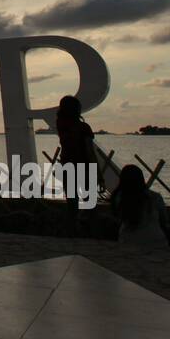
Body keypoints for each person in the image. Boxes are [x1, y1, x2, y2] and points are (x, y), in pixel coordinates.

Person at [55, 95, 96, 234]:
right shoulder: (84, 127)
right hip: (83, 165)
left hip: (67, 165)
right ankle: (90, 231)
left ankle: (72, 230)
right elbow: (89, 151)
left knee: (72, 202)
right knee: (90, 202)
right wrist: (97, 172)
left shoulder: (61, 125)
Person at [110, 164, 169, 248]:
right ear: (141, 179)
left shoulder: (119, 198)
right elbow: (164, 221)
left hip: (127, 242)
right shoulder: (155, 197)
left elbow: (117, 218)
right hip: (157, 243)